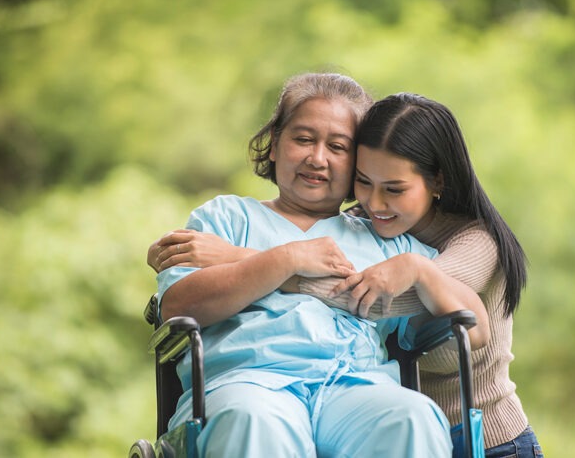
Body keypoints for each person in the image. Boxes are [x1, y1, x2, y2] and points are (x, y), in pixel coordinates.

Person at [150, 93, 543, 457]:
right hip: (249, 381)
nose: (318, 158)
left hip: (359, 387)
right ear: (274, 144)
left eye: (337, 147)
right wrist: (286, 257)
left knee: (410, 417)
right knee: (252, 420)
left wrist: (266, 263)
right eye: (303, 139)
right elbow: (179, 305)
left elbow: (473, 327)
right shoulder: (223, 218)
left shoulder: (391, 239)